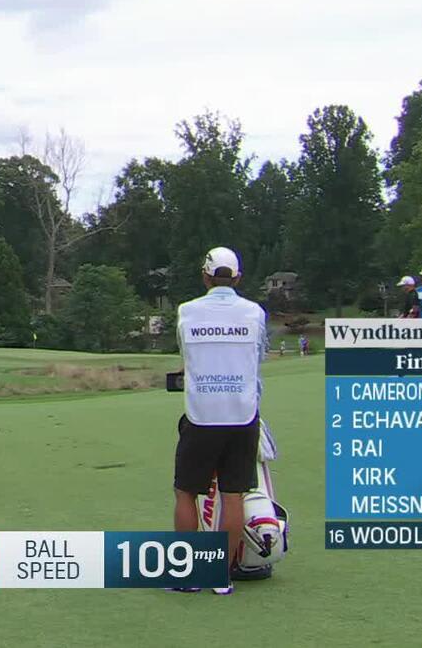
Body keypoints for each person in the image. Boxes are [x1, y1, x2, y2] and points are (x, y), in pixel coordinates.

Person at [170, 247, 267, 596]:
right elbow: (257, 362)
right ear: (237, 278)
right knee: (233, 496)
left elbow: (188, 356)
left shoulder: (186, 312)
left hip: (201, 415)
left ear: (206, 276)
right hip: (242, 414)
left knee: (186, 493)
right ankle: (220, 576)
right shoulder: (255, 312)